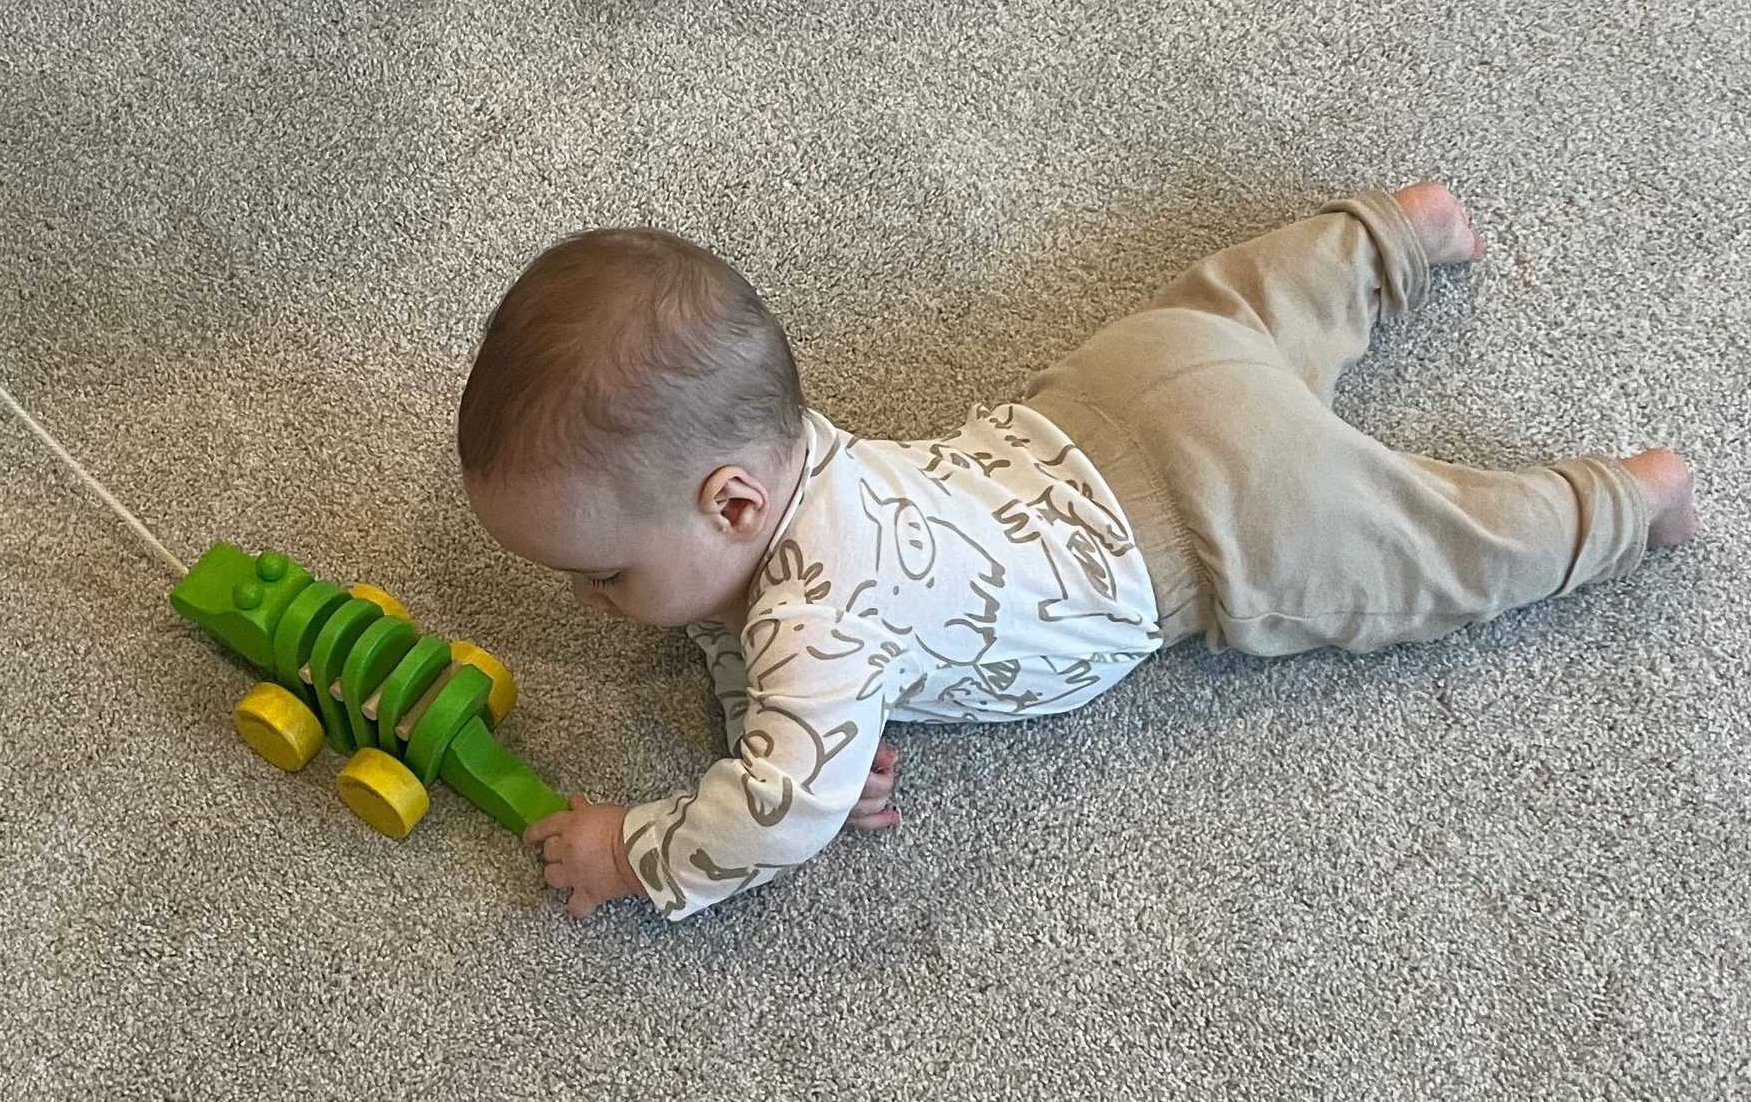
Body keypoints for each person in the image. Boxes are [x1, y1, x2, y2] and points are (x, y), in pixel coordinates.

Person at [454, 184, 1699, 922]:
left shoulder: (811, 625)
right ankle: (1395, 232)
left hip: (1213, 521)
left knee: (1440, 550)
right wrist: (784, 719)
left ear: (729, 506)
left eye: (603, 573)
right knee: (1244, 309)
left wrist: (635, 850)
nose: (589, 603)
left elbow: (783, 812)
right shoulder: (802, 454)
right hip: (1112, 395)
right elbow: (786, 682)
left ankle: (1626, 503)